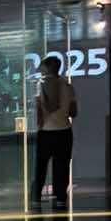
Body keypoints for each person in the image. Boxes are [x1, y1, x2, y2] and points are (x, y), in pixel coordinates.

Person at [33, 54, 78, 204]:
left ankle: (36, 197)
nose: (41, 70)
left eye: (42, 67)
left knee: (41, 166)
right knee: (62, 166)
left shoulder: (40, 84)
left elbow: (39, 109)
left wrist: (40, 125)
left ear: (48, 68)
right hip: (64, 131)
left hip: (46, 131)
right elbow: (74, 112)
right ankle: (60, 198)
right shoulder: (68, 86)